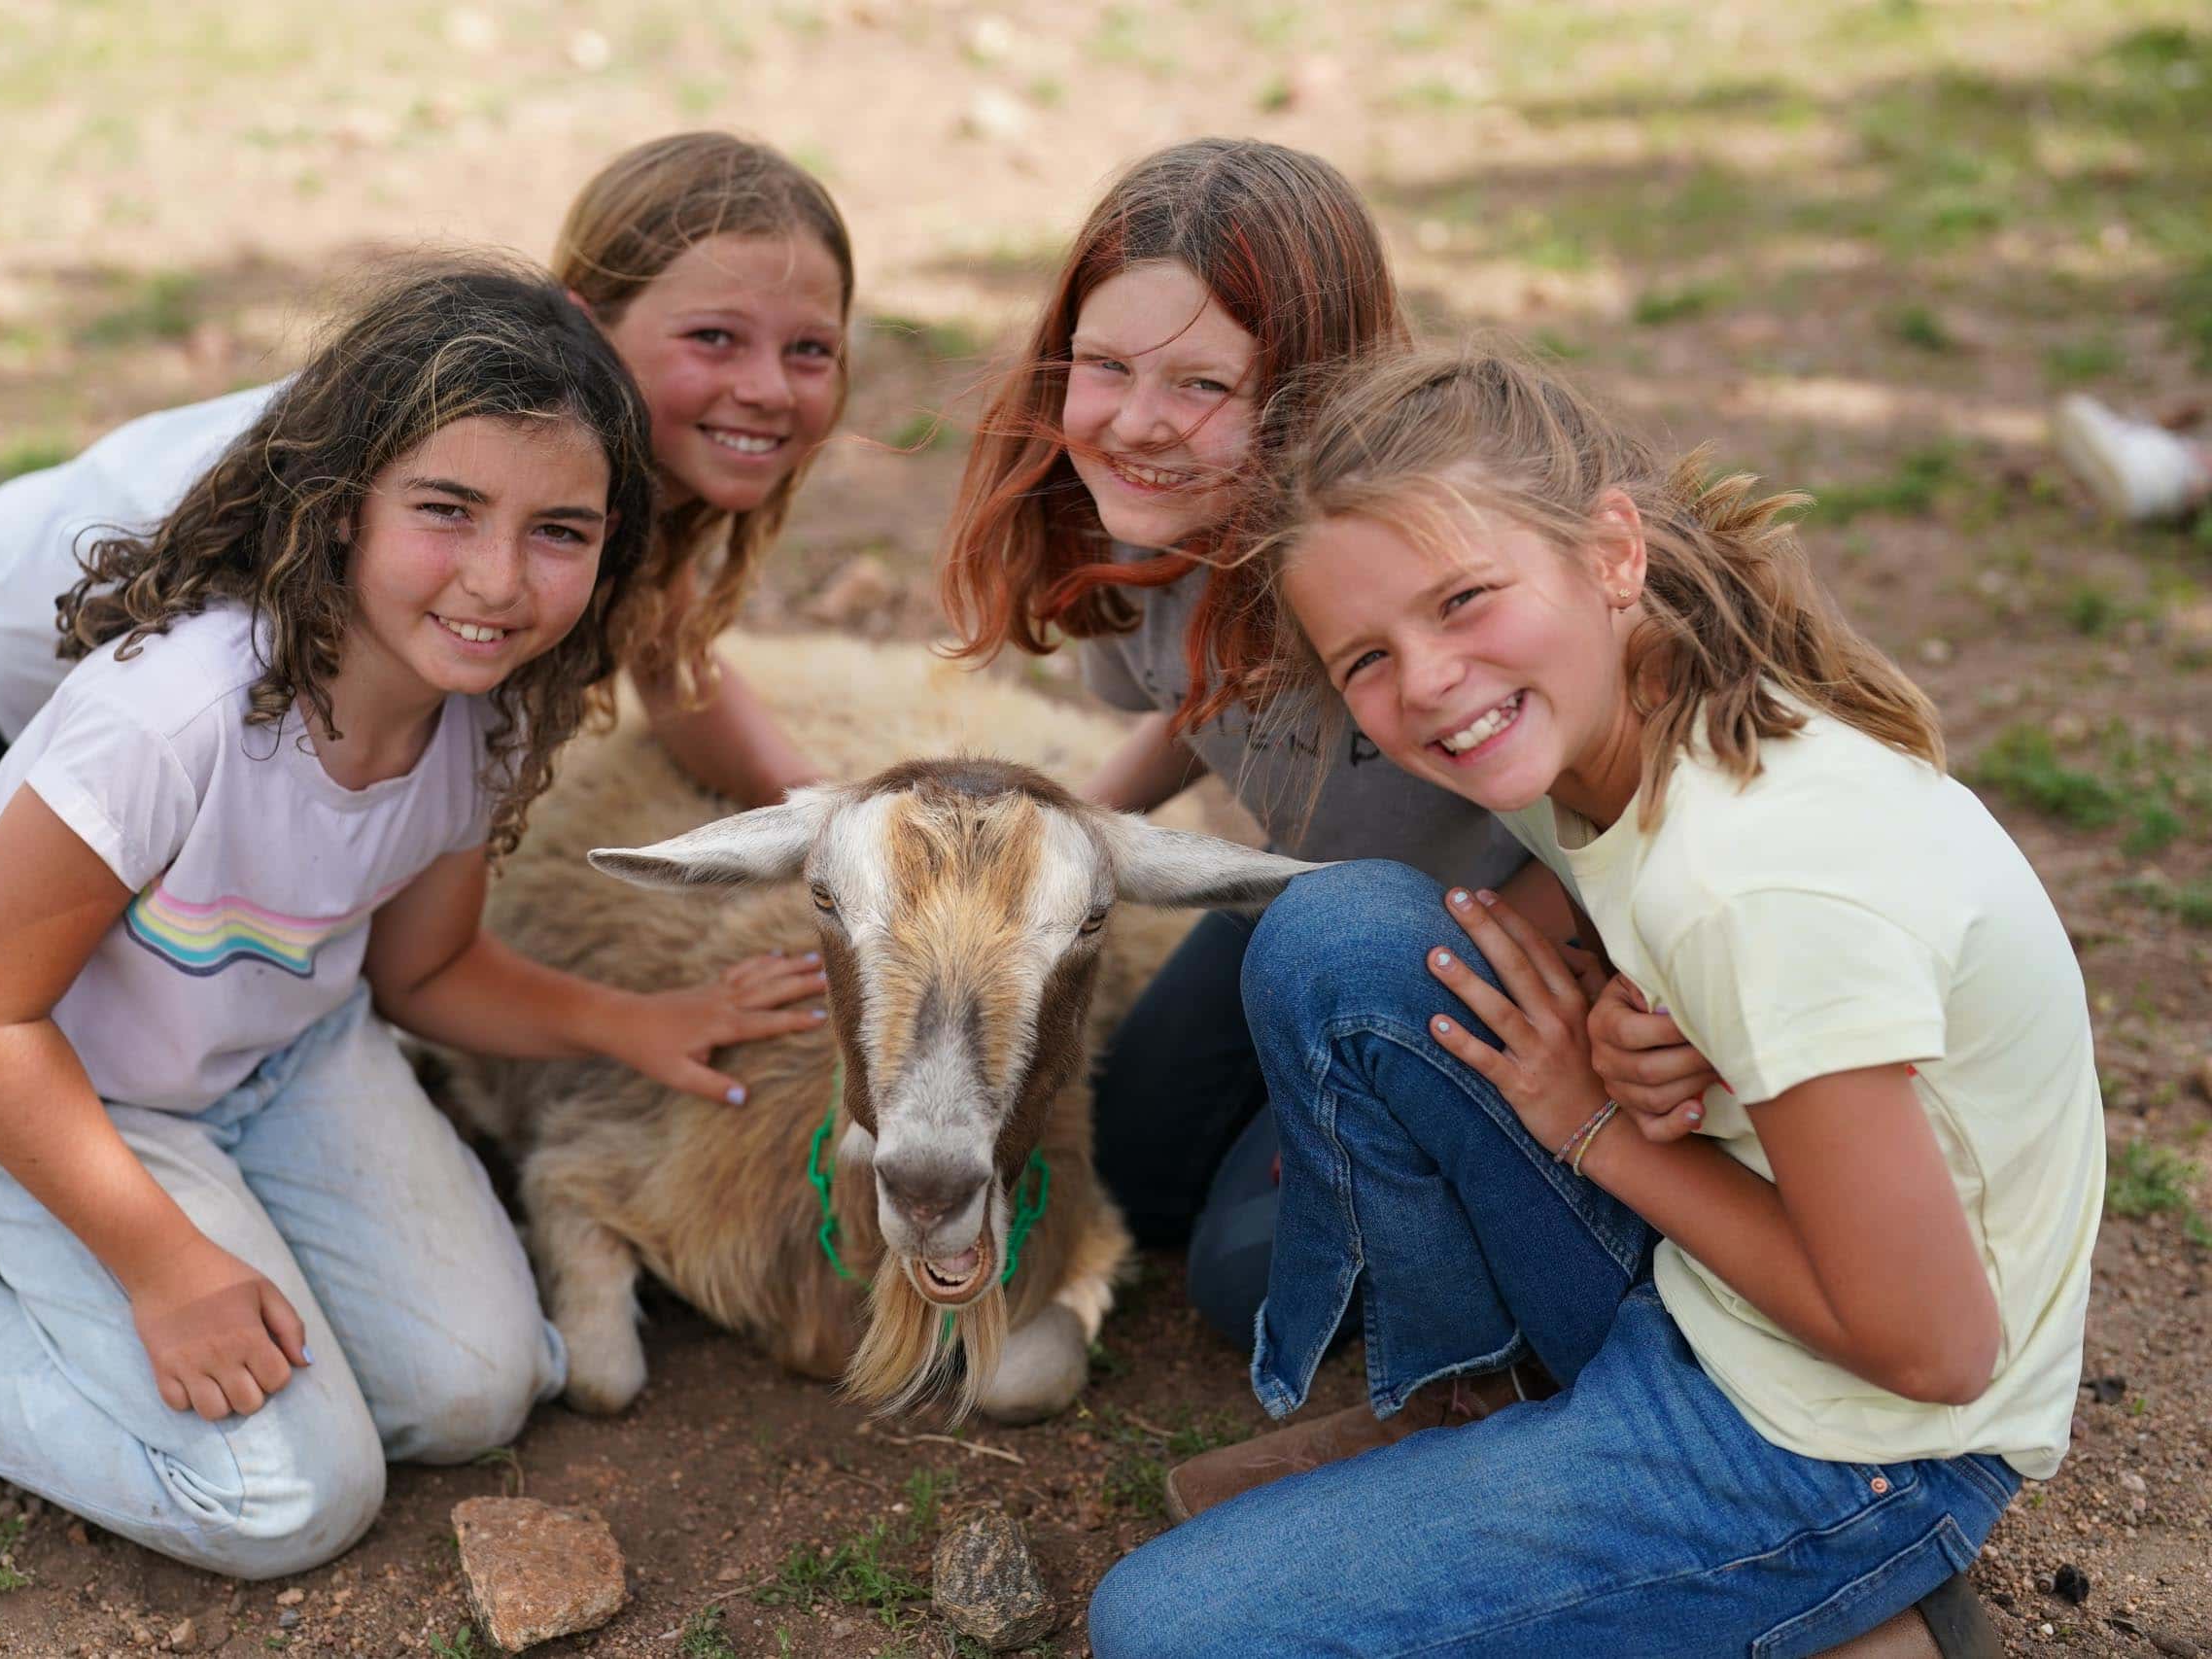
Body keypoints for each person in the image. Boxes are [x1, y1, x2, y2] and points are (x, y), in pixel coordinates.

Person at [0, 260, 829, 1578]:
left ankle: (230, 1268)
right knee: (283, 1499)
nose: (496, 578)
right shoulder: (175, 714)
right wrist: (162, 1260)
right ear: (340, 503)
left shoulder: (487, 707)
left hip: (286, 1052)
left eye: (560, 531)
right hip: (61, 1079)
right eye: (446, 509)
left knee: (478, 1392)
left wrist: (638, 1022)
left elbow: (427, 968)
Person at [1090, 345, 2104, 1654]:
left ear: (1612, 551)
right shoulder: (1597, 708)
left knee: (1170, 1629)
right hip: (1710, 1294)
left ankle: (1846, 1587)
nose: (1433, 680)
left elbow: (1934, 1351)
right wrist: (1624, 987)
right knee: (1339, 941)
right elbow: (1584, 897)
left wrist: (1593, 1130)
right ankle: (1492, 1409)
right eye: (1370, 658)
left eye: (1462, 599)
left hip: (1860, 1436)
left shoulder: (1754, 888)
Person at [0, 130, 851, 1010]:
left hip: (83, 727)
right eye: (714, 339)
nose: (767, 387)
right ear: (580, 323)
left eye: (810, 350)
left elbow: (671, 657)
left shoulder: (592, 494)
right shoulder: (404, 459)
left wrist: (843, 819)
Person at [940, 138, 1561, 1348]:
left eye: (1201, 387)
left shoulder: (1401, 569)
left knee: (1249, 1282)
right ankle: (1298, 1116)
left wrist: (1466, 1017)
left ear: (1309, 393)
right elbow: (1203, 701)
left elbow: (1595, 806)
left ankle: (1524, 1244)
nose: (1134, 423)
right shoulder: (1153, 538)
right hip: (1297, 903)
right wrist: (1064, 834)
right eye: (1105, 367)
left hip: (1475, 957)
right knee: (1130, 1164)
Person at [2052, 393, 2211, 523]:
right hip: (2164, 462)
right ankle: (2146, 488)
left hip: (2174, 466)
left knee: (2079, 410)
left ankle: (2145, 485)